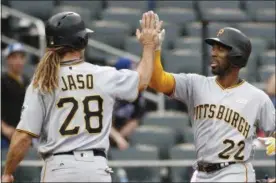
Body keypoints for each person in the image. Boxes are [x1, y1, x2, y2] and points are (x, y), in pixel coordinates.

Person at [1, 10, 162, 182]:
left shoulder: (43, 81)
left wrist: (8, 172)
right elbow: (143, 79)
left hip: (59, 168)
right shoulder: (103, 75)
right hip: (96, 169)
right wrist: (149, 46)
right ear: (82, 41)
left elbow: (24, 136)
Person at [144, 14, 275, 182]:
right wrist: (153, 49)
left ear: (237, 55)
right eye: (213, 48)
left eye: (220, 48)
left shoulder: (257, 98)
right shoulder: (195, 84)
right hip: (200, 173)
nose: (213, 52)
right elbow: (157, 81)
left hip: (234, 172)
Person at [110, 58, 146, 150]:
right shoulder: (107, 91)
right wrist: (117, 138)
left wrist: (120, 137)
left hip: (124, 134)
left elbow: (136, 119)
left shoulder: (137, 92)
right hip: (105, 132)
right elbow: (101, 121)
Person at [1, 43, 30, 148]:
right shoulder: (2, 81)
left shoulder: (27, 81)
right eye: (14, 57)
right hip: (5, 137)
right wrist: (4, 128)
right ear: (7, 60)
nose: (18, 61)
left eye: (21, 57)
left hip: (24, 136)